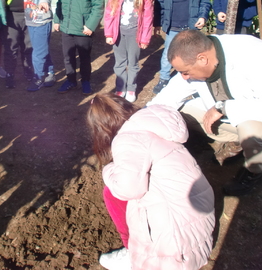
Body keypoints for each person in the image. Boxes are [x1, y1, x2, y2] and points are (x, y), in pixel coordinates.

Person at [148, 30, 262, 196]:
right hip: (230, 116)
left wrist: (222, 107)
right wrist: (143, 117)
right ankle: (235, 143)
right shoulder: (198, 57)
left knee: (249, 130)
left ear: (202, 59)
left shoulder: (256, 55)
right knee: (177, 110)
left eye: (185, 72)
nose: (183, 77)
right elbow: (170, 95)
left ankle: (254, 170)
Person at [87, 93, 214, 270]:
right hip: (199, 234)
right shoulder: (154, 125)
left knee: (112, 193)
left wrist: (108, 170)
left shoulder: (127, 139)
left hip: (175, 252)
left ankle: (132, 251)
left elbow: (127, 190)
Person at [152, 0, 211, 94]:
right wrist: (157, 23)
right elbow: (159, 3)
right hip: (172, 26)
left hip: (191, 25)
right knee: (168, 54)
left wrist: (203, 16)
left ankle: (194, 80)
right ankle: (164, 79)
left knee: (192, 54)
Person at [53, 0, 105, 95]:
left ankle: (86, 81)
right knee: (68, 57)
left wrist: (90, 25)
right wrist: (57, 19)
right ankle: (70, 80)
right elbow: (60, 2)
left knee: (84, 58)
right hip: (66, 28)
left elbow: (98, 7)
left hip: (83, 30)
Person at [104, 0, 153, 103]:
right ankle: (121, 88)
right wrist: (109, 33)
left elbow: (148, 18)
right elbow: (109, 13)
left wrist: (145, 37)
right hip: (119, 34)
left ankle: (131, 88)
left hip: (135, 35)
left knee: (133, 63)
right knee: (119, 63)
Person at [19, 0, 56, 91]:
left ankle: (38, 77)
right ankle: (50, 73)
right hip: (31, 20)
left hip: (41, 20)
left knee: (38, 52)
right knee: (41, 49)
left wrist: (43, 1)